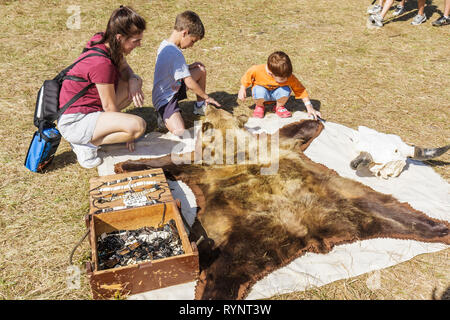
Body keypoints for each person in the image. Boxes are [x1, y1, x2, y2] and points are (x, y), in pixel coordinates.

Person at [57, 6, 147, 169]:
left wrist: (133, 79)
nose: (139, 45)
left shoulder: (105, 40)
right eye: (135, 41)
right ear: (120, 37)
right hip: (74, 121)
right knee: (137, 127)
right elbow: (109, 107)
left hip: (85, 109)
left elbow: (125, 69)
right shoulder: (102, 64)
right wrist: (127, 133)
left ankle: (93, 134)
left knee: (134, 83)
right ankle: (85, 144)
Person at [152, 10, 221, 136]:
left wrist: (187, 67)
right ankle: (162, 115)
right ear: (185, 33)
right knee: (180, 131)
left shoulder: (165, 44)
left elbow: (170, 68)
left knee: (200, 69)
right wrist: (207, 97)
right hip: (165, 99)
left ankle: (200, 106)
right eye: (193, 41)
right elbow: (189, 82)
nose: (192, 45)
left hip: (173, 87)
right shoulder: (174, 53)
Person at [238, 51, 321, 120]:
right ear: (271, 74)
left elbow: (300, 90)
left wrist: (309, 107)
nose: (286, 80)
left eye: (287, 77)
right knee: (259, 90)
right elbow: (247, 77)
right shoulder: (256, 70)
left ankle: (279, 107)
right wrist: (243, 88)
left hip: (276, 95)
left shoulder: (287, 76)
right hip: (262, 94)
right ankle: (260, 106)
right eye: (281, 79)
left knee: (285, 90)